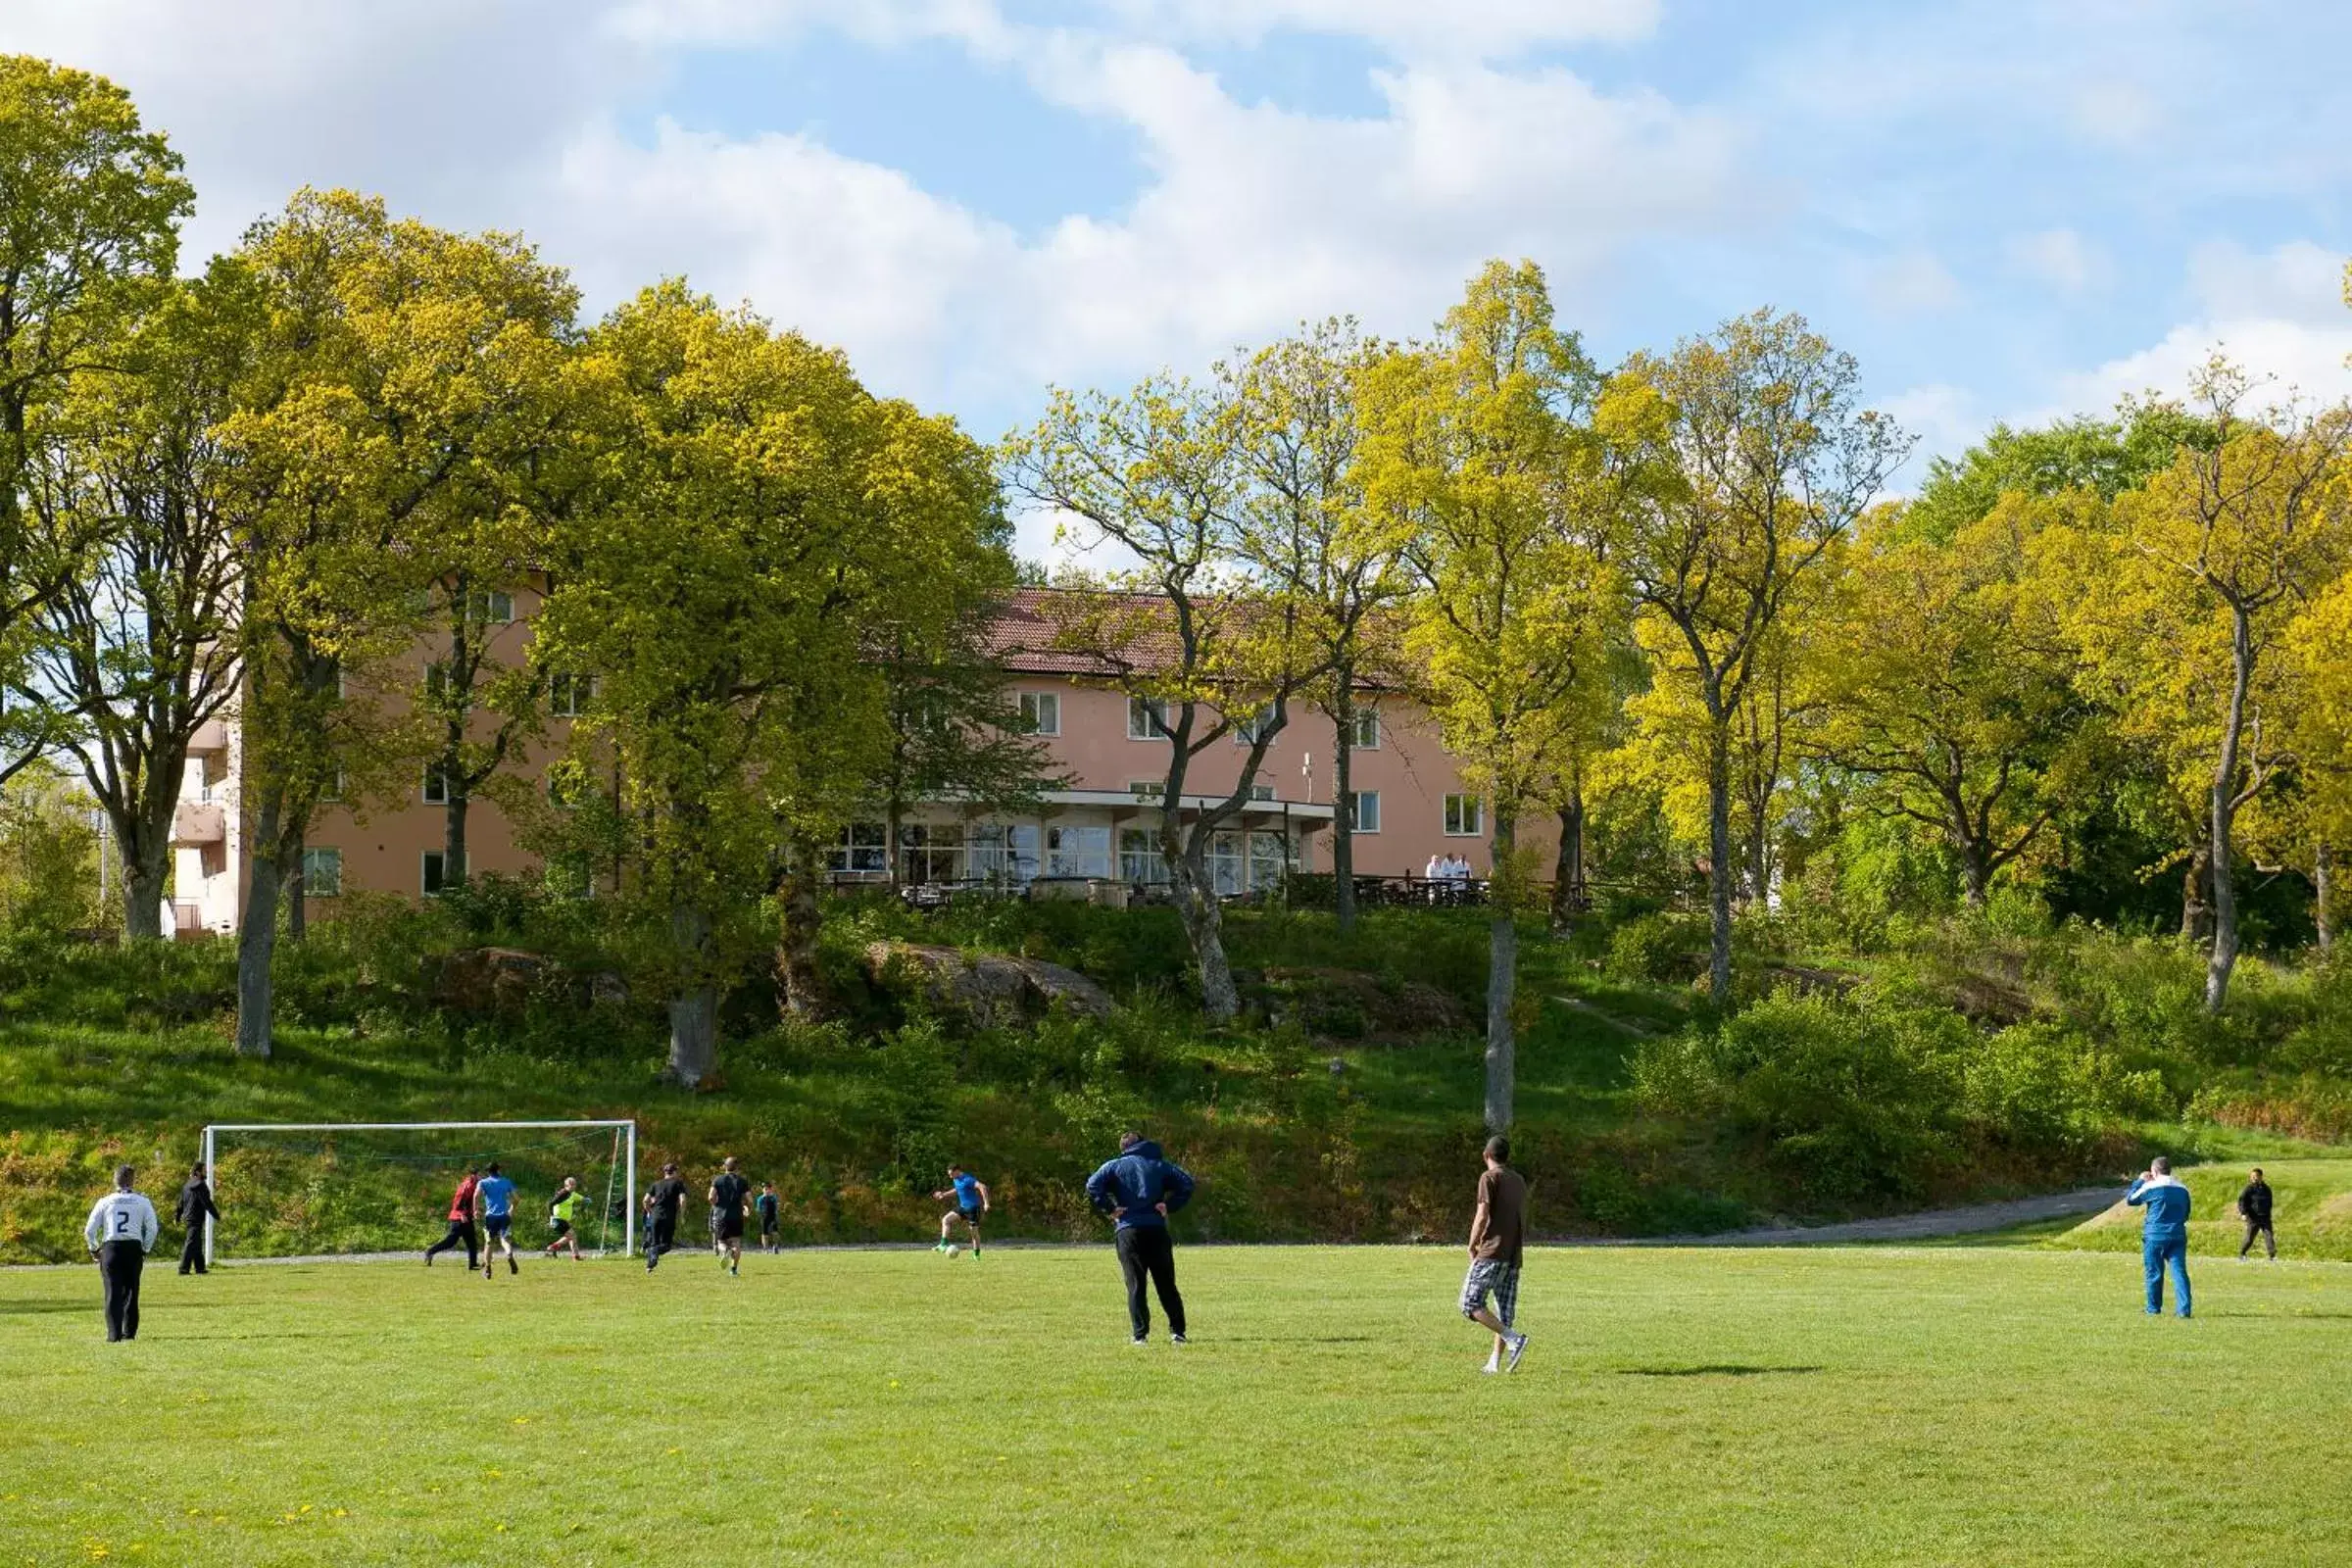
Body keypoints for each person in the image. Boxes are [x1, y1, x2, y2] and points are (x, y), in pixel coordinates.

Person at [1085, 1131, 1195, 1346]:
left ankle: (1140, 1335)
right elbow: (1187, 1184)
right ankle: (1178, 1332)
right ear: (1143, 1144)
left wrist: (1110, 1208)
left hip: (1128, 1229)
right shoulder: (1159, 1165)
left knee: (1135, 1284)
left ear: (1124, 1148)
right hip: (1155, 1228)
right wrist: (1169, 1206)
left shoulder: (1113, 1166)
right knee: (1166, 1283)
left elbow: (1092, 1185)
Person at [1461, 1134, 1531, 1373]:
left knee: (1470, 1303)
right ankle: (1494, 1363)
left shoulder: (1488, 1177)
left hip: (1492, 1251)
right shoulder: (1519, 1180)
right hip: (1513, 1255)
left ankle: (1514, 1339)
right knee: (1504, 1311)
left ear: (1486, 1155)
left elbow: (1482, 1214)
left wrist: (1472, 1244)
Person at [84, 1164, 159, 1343]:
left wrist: (94, 1249)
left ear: (114, 1180)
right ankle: (129, 1333)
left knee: (112, 1291)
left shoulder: (105, 1201)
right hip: (133, 1248)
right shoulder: (142, 1201)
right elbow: (152, 1228)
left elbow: (89, 1230)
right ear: (133, 1181)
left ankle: (113, 1334)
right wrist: (145, 1248)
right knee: (132, 1291)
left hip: (112, 1247)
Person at [2126, 1156, 2192, 1318]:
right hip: (2177, 1233)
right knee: (2179, 1272)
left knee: (2154, 1272)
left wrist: (2140, 1181)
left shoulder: (2151, 1186)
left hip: (2155, 1234)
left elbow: (2131, 1200)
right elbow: (2186, 1212)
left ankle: (2153, 1308)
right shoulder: (2183, 1188)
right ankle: (2184, 1310)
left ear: (2154, 1170)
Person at [424, 1164, 481, 1269]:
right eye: (479, 1175)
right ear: (473, 1175)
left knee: (472, 1242)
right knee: (450, 1242)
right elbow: (457, 1203)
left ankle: (473, 1264)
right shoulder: (466, 1186)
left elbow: (471, 1202)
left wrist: (474, 1212)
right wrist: (462, 1215)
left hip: (467, 1218)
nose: (481, 1177)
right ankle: (430, 1251)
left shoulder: (474, 1185)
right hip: (458, 1219)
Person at [932, 1164, 991, 1256]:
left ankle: (976, 1254)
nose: (950, 1176)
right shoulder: (956, 1179)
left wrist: (986, 1203)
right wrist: (943, 1195)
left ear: (957, 1171)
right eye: (949, 1175)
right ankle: (943, 1244)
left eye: (951, 1174)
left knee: (973, 1233)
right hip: (962, 1208)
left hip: (973, 1209)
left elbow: (982, 1186)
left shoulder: (968, 1179)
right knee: (946, 1220)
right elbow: (957, 1190)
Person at [175, 1160, 220, 1276]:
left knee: (196, 1243)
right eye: (204, 1170)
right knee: (191, 1242)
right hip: (195, 1217)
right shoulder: (200, 1185)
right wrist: (216, 1215)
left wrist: (178, 1216)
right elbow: (207, 1203)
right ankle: (183, 1268)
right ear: (198, 1172)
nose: (206, 1172)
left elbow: (181, 1202)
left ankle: (200, 1268)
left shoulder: (187, 1185)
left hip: (188, 1217)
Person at [709, 1156, 751, 1276]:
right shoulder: (742, 1181)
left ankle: (725, 1250)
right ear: (737, 1167)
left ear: (725, 1167)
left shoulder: (717, 1180)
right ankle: (733, 1270)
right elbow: (750, 1199)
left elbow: (710, 1197)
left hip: (721, 1215)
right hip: (736, 1215)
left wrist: (716, 1206)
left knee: (721, 1241)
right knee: (736, 1242)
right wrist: (747, 1209)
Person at [476, 1161, 519, 1278]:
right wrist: (511, 1209)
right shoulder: (506, 1181)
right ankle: (509, 1255)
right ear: (498, 1170)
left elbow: (476, 1195)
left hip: (491, 1217)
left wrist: (475, 1210)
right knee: (505, 1239)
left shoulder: (483, 1182)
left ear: (488, 1172)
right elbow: (516, 1198)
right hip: (504, 1216)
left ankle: (488, 1270)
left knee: (489, 1242)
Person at [645, 1161, 688, 1271]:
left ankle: (650, 1266)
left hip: (655, 1216)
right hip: (668, 1217)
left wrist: (649, 1211)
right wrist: (682, 1214)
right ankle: (652, 1253)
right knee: (666, 1245)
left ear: (665, 1172)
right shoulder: (678, 1183)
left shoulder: (656, 1184)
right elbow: (682, 1200)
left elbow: (646, 1200)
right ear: (674, 1172)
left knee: (654, 1243)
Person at [2236, 1167, 2276, 1260]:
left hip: (2265, 1217)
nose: (2254, 1178)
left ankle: (2272, 1256)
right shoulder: (2248, 1189)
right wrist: (2243, 1213)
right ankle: (2242, 1253)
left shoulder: (2267, 1189)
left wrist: (2268, 1213)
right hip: (2253, 1218)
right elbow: (2242, 1201)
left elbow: (2270, 1202)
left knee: (2269, 1236)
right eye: (2252, 1176)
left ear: (2261, 1177)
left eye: (2256, 1176)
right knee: (2250, 1238)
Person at [545, 1176, 587, 1260]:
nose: (573, 1186)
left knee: (571, 1236)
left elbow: (580, 1198)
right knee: (572, 1236)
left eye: (574, 1184)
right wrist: (552, 1217)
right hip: (558, 1219)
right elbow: (550, 1204)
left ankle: (554, 1249)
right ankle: (575, 1256)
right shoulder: (563, 1193)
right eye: (570, 1184)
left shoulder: (572, 1194)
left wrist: (585, 1199)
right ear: (566, 1185)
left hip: (563, 1220)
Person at [757, 1181, 781, 1254]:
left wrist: (776, 1215)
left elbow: (776, 1207)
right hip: (764, 1217)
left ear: (770, 1189)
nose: (766, 1190)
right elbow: (758, 1209)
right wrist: (761, 1214)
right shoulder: (760, 1198)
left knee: (775, 1233)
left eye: (767, 1189)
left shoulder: (773, 1197)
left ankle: (775, 1246)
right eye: (764, 1189)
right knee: (764, 1233)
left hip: (773, 1216)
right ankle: (765, 1249)